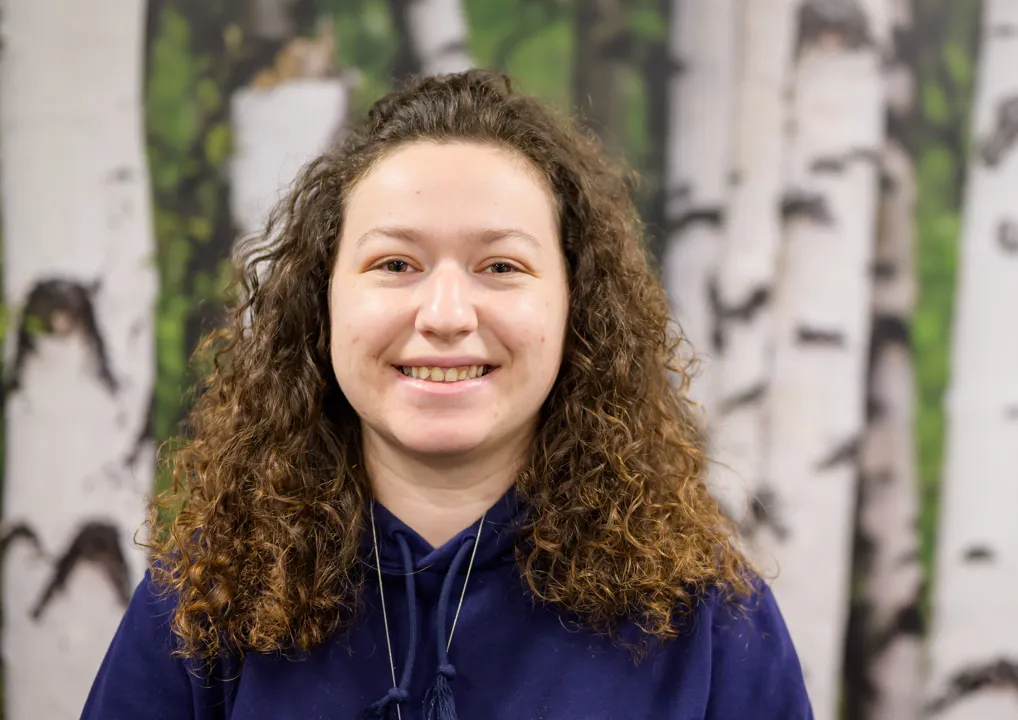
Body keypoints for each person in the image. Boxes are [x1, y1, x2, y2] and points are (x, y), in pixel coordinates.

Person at [81, 69, 812, 720]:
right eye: (396, 264)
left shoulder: (708, 622)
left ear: (577, 308)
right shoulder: (201, 603)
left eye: (501, 267)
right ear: (322, 303)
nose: (446, 315)